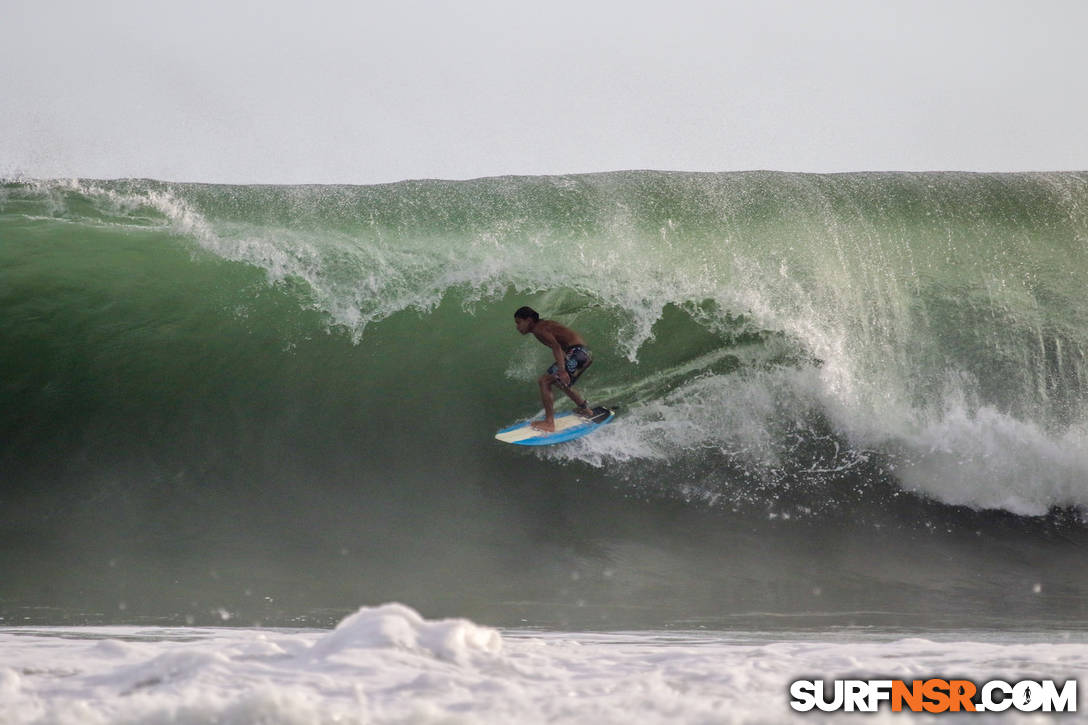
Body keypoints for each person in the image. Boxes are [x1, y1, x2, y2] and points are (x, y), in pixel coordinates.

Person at [513, 306, 594, 432]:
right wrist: (562, 371)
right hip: (583, 353)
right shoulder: (544, 325)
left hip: (578, 352)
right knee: (561, 382)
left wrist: (561, 370)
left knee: (544, 381)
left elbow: (556, 347)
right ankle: (586, 410)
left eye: (519, 322)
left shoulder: (540, 329)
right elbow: (560, 348)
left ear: (529, 320)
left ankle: (549, 423)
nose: (517, 327)